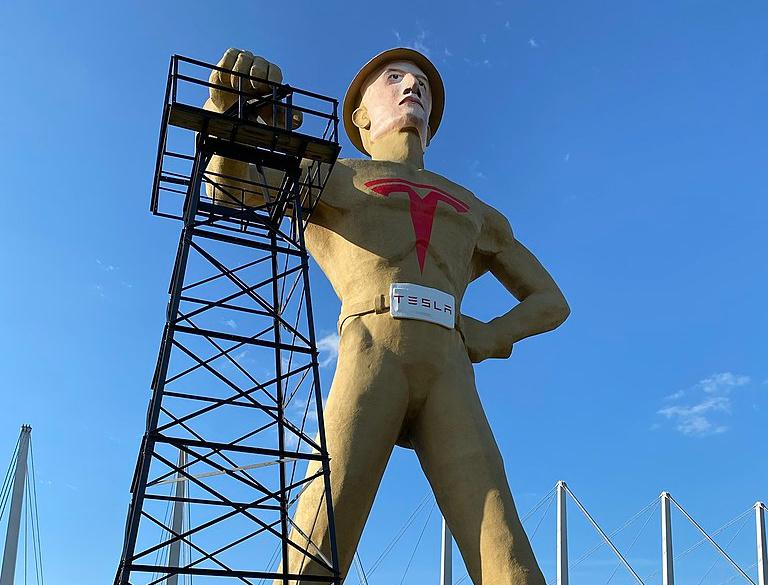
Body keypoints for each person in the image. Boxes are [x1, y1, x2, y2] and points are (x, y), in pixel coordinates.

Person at [205, 47, 570, 585]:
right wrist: (228, 112)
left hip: (449, 369)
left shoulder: (473, 209)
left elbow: (550, 300)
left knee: (506, 552)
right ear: (360, 116)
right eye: (394, 78)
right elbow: (230, 191)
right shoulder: (331, 175)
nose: (411, 87)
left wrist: (492, 333)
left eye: (420, 82)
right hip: (370, 352)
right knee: (316, 543)